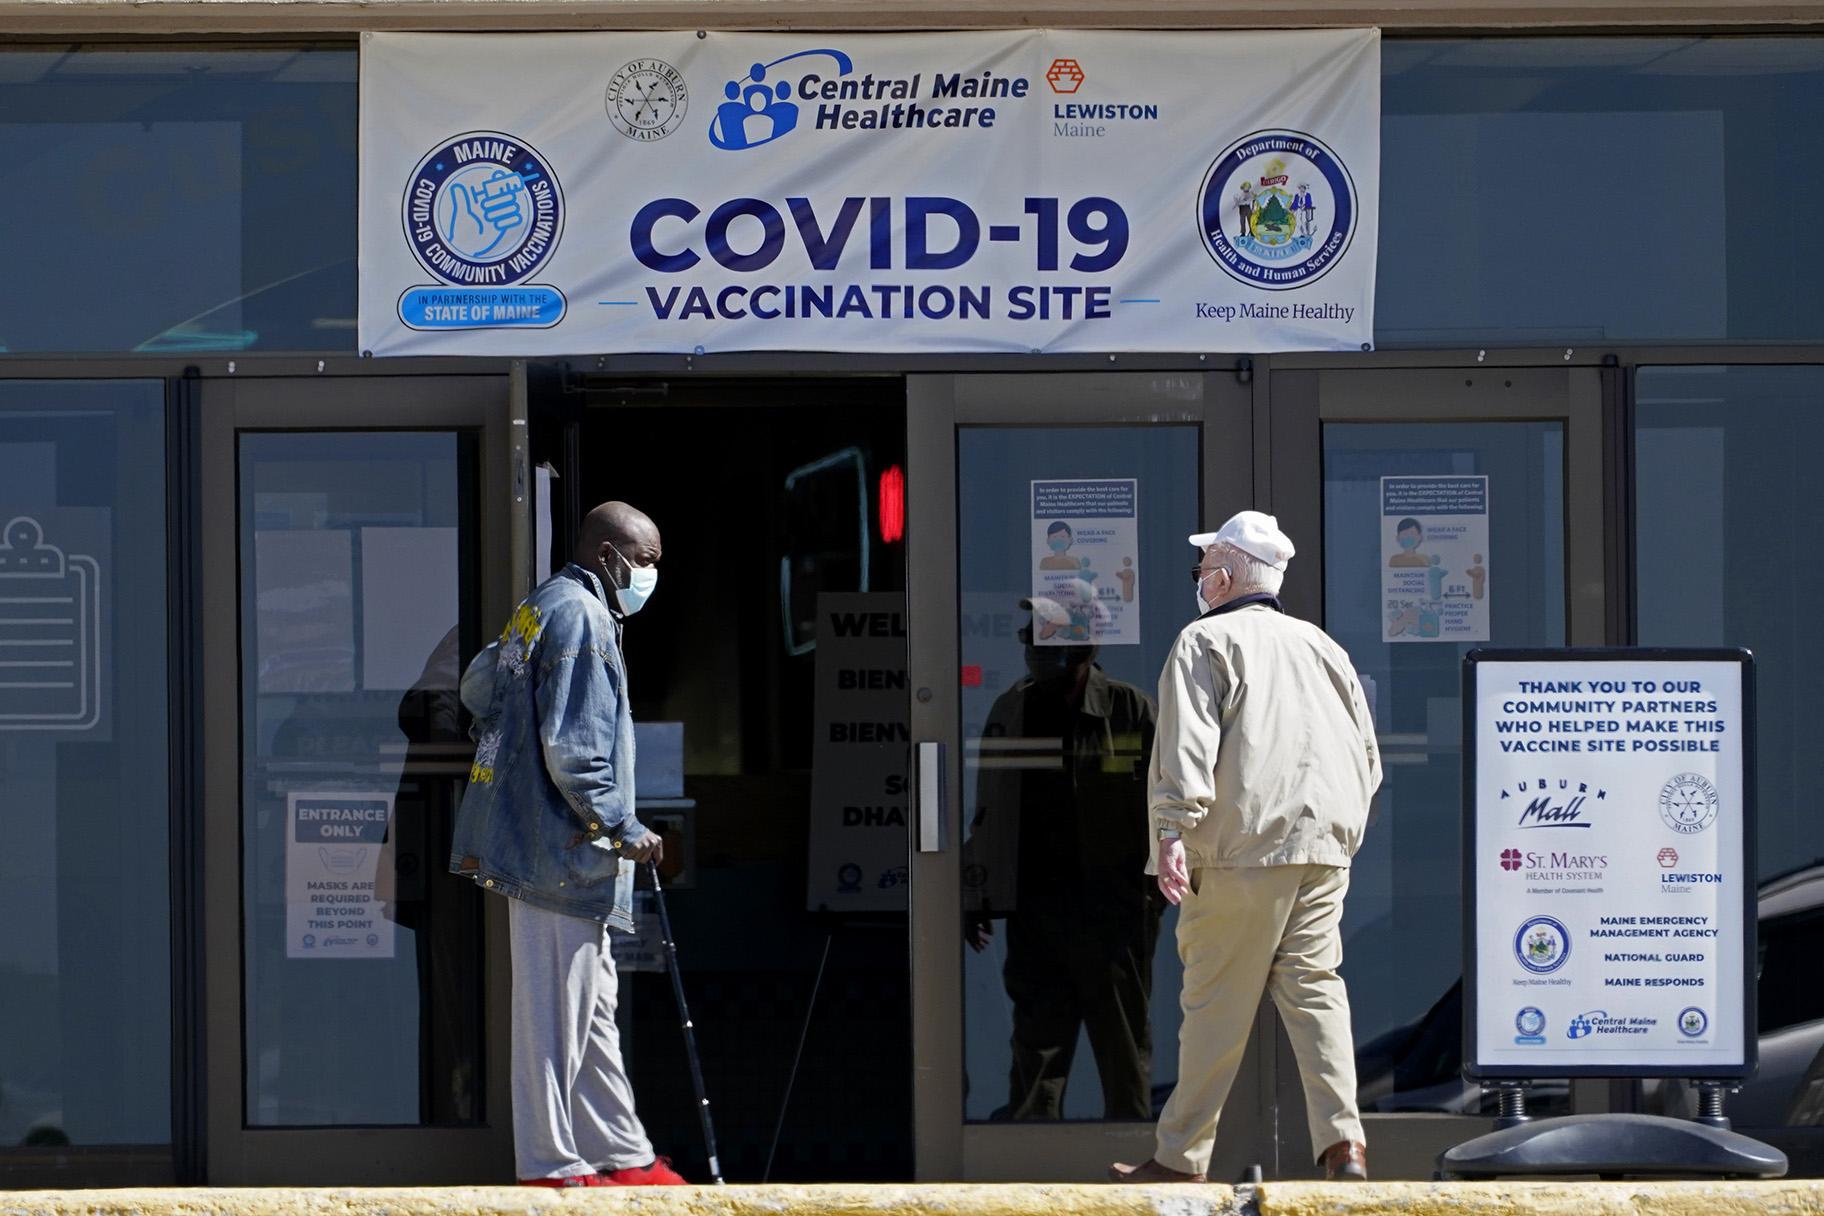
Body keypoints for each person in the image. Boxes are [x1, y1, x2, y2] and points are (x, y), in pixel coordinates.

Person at [1109, 510, 1382, 1185]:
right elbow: (1368, 758)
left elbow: (1188, 747)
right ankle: (1344, 1146)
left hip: (1239, 850)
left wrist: (1172, 830)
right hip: (1323, 848)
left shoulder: (1205, 641)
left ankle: (1179, 1159)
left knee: (1213, 1005)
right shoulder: (1324, 647)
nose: (1198, 578)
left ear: (1226, 576)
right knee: (1317, 991)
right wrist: (1340, 832)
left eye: (1204, 567)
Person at [450, 501, 686, 1187]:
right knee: (555, 1015)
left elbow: (475, 686)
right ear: (610, 555)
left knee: (591, 1008)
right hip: (560, 848)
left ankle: (622, 1153)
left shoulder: (543, 606)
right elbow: (577, 750)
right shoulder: (583, 619)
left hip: (546, 846)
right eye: (644, 561)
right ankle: (552, 1166)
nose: (649, 574)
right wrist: (624, 824)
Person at [964, 597, 1161, 1120]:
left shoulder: (1130, 710)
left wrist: (1153, 897)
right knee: (1036, 1051)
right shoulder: (1013, 709)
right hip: (1037, 910)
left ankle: (1136, 1163)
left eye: (1047, 633)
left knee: (1122, 1052)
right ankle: (1033, 1167)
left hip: (1115, 916)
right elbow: (989, 809)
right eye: (1032, 633)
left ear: (1084, 643)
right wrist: (976, 892)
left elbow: (1174, 808)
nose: (1032, 643)